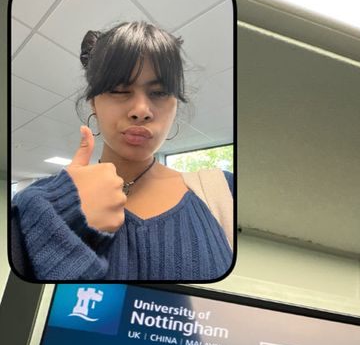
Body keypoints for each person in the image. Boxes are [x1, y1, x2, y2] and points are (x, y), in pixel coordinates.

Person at [10, 21, 234, 283]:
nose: (141, 110)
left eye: (160, 92)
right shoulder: (34, 206)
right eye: (118, 90)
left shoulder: (224, 192)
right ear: (93, 102)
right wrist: (65, 209)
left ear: (176, 105)